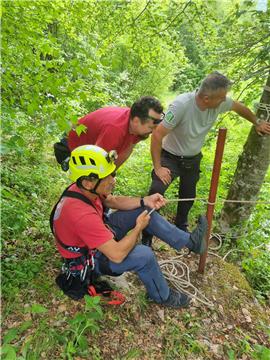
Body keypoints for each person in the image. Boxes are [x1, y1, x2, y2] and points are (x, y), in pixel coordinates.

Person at [51, 145, 208, 308]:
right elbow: (117, 255)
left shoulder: (84, 189)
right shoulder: (82, 215)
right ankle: (162, 296)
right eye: (107, 176)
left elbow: (112, 200)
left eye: (113, 173)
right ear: (88, 182)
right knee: (144, 255)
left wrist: (145, 200)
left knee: (147, 211)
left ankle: (190, 242)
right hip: (90, 260)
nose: (113, 180)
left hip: (98, 235)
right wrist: (138, 228)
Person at [142, 71, 270, 245]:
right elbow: (157, 135)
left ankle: (181, 230)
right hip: (169, 157)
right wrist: (158, 167)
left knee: (188, 195)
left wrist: (257, 122)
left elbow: (239, 107)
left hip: (192, 159)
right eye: (222, 97)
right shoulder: (181, 105)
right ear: (207, 99)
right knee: (156, 191)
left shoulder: (219, 103)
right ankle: (147, 236)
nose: (225, 100)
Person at [54, 96, 164, 170]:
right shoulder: (114, 129)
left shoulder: (137, 127)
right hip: (71, 148)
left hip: (94, 150)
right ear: (136, 121)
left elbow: (127, 150)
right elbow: (95, 165)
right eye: (151, 127)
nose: (153, 131)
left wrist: (111, 174)